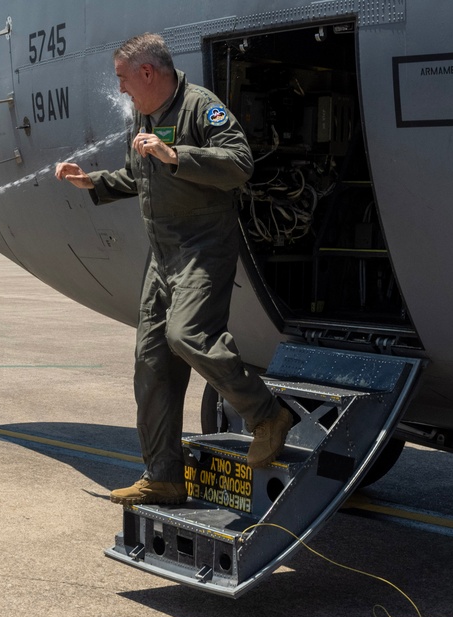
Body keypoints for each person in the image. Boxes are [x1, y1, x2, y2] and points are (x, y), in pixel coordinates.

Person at [55, 33, 293, 506]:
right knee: (151, 362)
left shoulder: (200, 108)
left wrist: (177, 155)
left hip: (203, 246)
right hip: (161, 254)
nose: (120, 88)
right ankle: (163, 476)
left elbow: (240, 163)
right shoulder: (144, 115)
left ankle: (267, 415)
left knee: (189, 336)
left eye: (123, 78)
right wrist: (94, 182)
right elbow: (139, 175)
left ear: (148, 72)